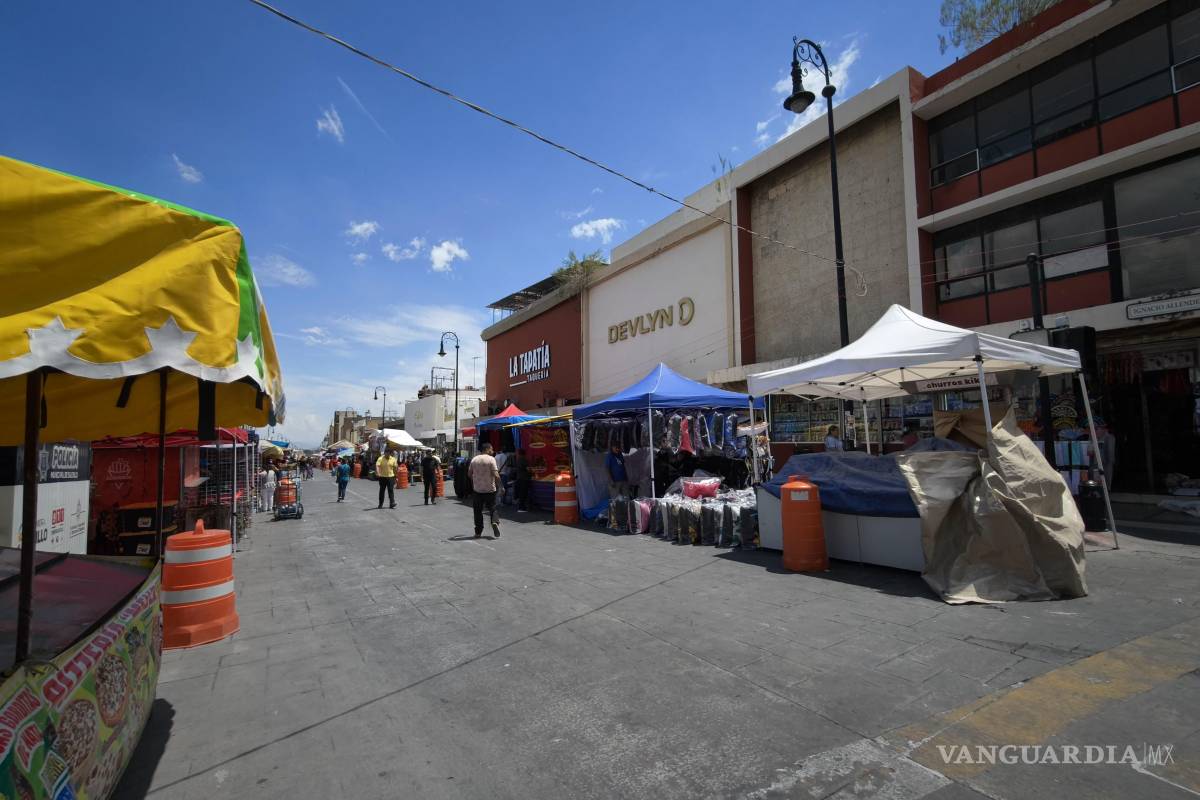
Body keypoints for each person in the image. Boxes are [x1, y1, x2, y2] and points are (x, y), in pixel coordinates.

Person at [468, 443, 501, 539]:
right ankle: (494, 522)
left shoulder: (474, 459)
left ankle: (478, 532)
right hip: (490, 489)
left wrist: (476, 480)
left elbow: (469, 474)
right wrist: (501, 486)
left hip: (477, 490)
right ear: (487, 449)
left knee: (477, 511)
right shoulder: (491, 459)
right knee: (493, 508)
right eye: (491, 449)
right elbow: (496, 474)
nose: (493, 451)